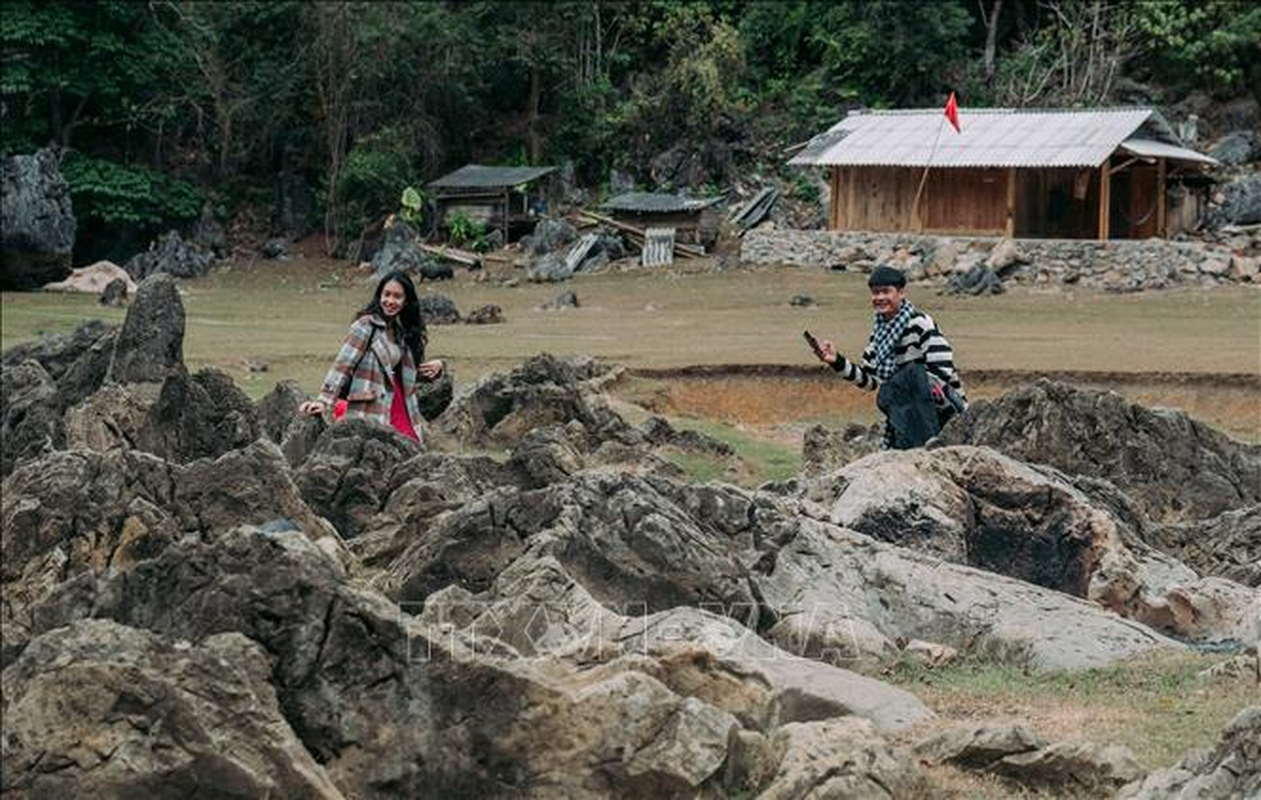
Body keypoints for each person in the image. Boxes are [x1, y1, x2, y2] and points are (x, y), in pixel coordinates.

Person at [813, 265, 966, 449]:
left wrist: (910, 388)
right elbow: (870, 381)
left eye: (886, 292)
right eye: (875, 293)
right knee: (886, 392)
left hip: (942, 405)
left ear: (900, 293)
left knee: (910, 374)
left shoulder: (920, 323)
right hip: (908, 409)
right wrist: (836, 360)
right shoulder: (878, 334)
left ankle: (928, 440)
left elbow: (942, 367)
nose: (880, 298)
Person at [299, 271, 443, 442]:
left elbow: (400, 374)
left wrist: (438, 366)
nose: (390, 301)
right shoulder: (365, 326)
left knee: (410, 449)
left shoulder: (401, 333)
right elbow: (343, 365)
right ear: (379, 295)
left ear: (406, 301)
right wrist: (323, 401)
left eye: (397, 296)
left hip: (401, 407)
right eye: (386, 294)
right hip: (369, 408)